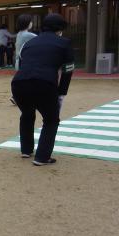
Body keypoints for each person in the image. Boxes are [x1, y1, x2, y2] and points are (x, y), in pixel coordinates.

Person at [11, 13, 74, 166]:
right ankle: (42, 157)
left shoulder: (30, 43)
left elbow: (22, 63)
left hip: (18, 83)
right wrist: (61, 92)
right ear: (60, 29)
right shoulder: (64, 43)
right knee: (51, 120)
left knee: (27, 114)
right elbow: (67, 70)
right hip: (44, 83)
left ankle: (26, 150)